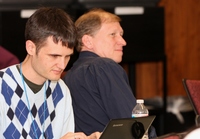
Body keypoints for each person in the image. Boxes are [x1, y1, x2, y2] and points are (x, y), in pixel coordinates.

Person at [0, 7, 101, 139]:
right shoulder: (2, 86)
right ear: (31, 47)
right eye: (54, 56)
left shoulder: (61, 90)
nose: (62, 65)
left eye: (67, 56)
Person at [63, 8, 157, 138]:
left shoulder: (67, 77)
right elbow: (136, 127)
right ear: (88, 41)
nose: (123, 42)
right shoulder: (104, 67)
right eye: (113, 34)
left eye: (121, 34)